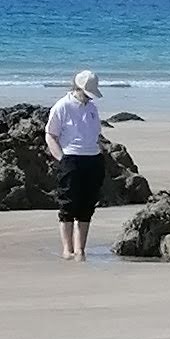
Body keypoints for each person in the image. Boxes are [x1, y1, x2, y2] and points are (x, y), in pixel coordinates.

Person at [44, 68, 107, 261]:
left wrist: (100, 151)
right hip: (71, 159)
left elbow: (96, 135)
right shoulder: (62, 106)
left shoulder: (92, 108)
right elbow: (50, 135)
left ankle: (80, 249)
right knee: (68, 206)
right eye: (87, 94)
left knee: (87, 206)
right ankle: (67, 249)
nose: (89, 98)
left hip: (93, 159)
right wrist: (62, 159)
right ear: (78, 88)